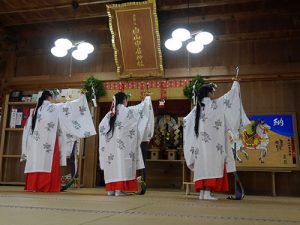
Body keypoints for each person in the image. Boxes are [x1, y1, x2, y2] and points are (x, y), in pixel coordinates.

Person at [183, 80, 250, 200]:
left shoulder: (197, 108)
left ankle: (203, 193)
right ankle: (207, 192)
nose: (214, 94)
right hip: (212, 145)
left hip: (200, 147)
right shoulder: (214, 105)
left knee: (203, 167)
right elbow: (229, 99)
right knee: (211, 166)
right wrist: (235, 87)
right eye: (212, 92)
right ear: (208, 93)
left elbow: (186, 120)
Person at [21, 90, 96, 192]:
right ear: (49, 97)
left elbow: (27, 128)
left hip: (36, 143)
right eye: (54, 98)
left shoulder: (35, 110)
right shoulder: (51, 107)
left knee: (36, 162)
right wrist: (81, 99)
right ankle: (46, 186)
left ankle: (33, 185)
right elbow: (68, 107)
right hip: (49, 141)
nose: (54, 100)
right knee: (48, 161)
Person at [99, 92, 154, 196]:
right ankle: (119, 190)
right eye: (126, 100)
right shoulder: (126, 112)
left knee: (113, 166)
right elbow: (139, 110)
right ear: (124, 100)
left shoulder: (109, 114)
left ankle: (111, 190)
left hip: (111, 149)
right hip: (123, 148)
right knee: (122, 165)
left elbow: (101, 127)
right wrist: (146, 101)